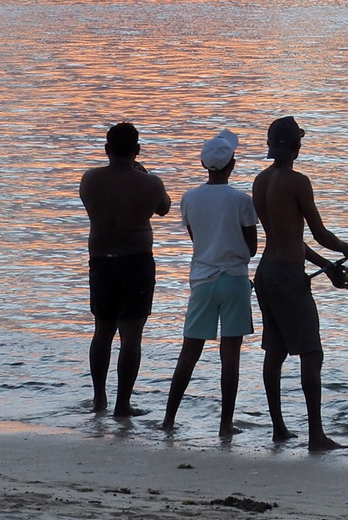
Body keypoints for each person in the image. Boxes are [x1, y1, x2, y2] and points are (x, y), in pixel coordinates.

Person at [250, 116, 348, 451]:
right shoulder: (298, 182)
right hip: (286, 277)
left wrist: (327, 266)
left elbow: (289, 237)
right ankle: (316, 436)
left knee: (275, 351)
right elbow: (319, 233)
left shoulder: (259, 181)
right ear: (296, 145)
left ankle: (279, 429)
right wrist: (347, 249)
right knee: (311, 354)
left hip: (266, 274)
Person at [161, 129, 258, 437]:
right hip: (235, 281)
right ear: (232, 164)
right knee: (230, 356)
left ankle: (168, 420)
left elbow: (197, 240)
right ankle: (225, 424)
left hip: (202, 281)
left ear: (204, 165)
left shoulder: (189, 198)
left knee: (189, 352)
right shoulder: (242, 200)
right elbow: (252, 248)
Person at [78, 121, 170, 418]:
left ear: (106, 149)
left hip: (102, 260)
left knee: (102, 331)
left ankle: (98, 398)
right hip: (136, 261)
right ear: (137, 150)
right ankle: (122, 404)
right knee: (131, 336)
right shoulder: (149, 183)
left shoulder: (90, 180)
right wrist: (142, 172)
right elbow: (164, 208)